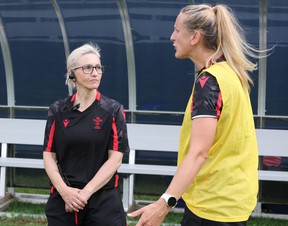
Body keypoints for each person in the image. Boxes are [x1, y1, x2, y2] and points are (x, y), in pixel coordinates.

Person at [128, 4, 261, 226]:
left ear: (195, 37)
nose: (172, 37)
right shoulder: (232, 74)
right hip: (233, 202)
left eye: (177, 30)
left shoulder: (208, 82)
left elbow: (199, 153)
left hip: (211, 206)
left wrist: (164, 204)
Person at [43, 42, 130, 226]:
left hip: (102, 200)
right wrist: (64, 191)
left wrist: (84, 194)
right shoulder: (57, 110)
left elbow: (115, 159)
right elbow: (49, 155)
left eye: (98, 67)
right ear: (72, 73)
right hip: (64, 198)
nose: (95, 73)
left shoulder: (113, 110)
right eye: (88, 68)